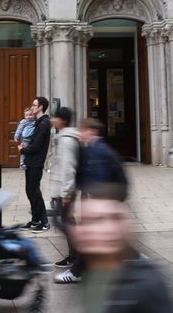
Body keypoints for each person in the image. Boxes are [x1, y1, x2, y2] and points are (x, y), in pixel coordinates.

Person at [72, 185, 173, 313]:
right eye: (95, 220)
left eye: (116, 218)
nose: (108, 227)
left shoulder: (146, 284)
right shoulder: (94, 274)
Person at [56, 117, 128, 285]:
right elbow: (83, 174)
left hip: (104, 203)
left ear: (93, 132)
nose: (80, 134)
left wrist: (99, 201)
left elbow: (106, 179)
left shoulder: (101, 152)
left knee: (89, 237)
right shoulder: (91, 149)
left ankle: (76, 272)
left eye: (83, 131)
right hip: (102, 203)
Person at [48, 106, 81, 269]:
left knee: (65, 222)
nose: (53, 120)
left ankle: (78, 255)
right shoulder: (62, 137)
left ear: (63, 121)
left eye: (56, 118)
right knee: (66, 221)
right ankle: (74, 255)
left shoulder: (67, 140)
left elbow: (69, 167)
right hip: (63, 189)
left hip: (66, 190)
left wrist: (66, 193)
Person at [19, 96, 52, 232]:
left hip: (36, 162)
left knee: (35, 192)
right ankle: (35, 220)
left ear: (40, 107)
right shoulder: (38, 122)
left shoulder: (44, 123)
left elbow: (37, 145)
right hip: (31, 161)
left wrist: (23, 149)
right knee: (30, 191)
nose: (32, 107)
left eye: (34, 105)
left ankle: (44, 222)